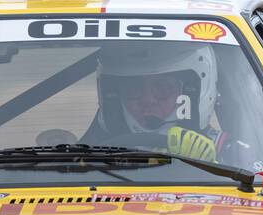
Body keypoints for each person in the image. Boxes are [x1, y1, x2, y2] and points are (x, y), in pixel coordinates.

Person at [85, 42, 230, 163]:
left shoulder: (228, 151)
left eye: (163, 87)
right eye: (133, 87)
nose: (148, 100)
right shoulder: (90, 150)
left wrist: (213, 166)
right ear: (117, 96)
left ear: (188, 93)